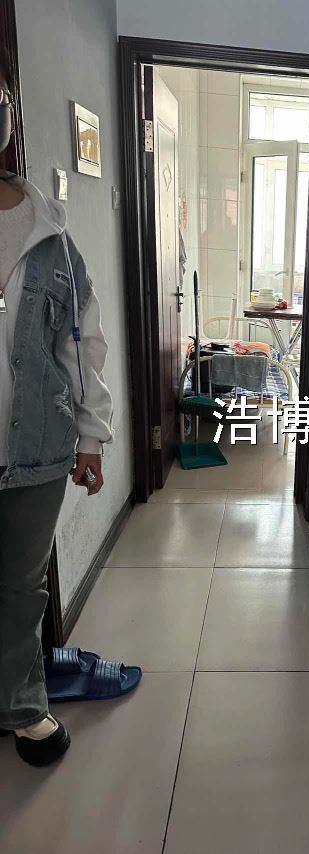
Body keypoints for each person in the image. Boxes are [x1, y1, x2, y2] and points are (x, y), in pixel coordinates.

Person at [0, 51, 113, 766]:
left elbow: (81, 344)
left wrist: (92, 437)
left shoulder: (53, 240)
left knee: (21, 584)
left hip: (38, 445)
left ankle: (21, 706)